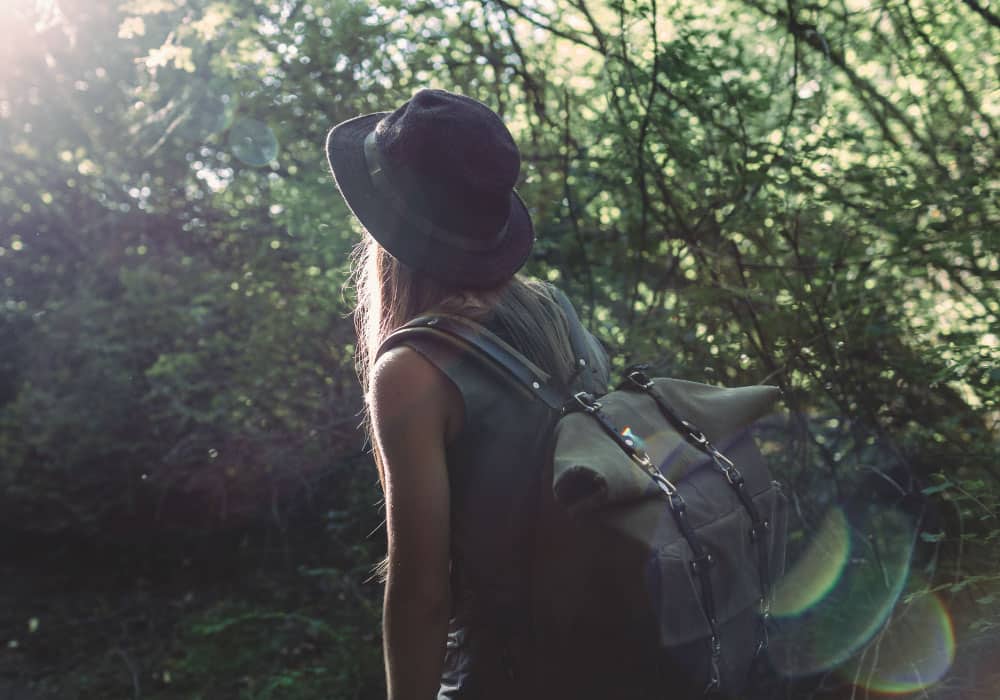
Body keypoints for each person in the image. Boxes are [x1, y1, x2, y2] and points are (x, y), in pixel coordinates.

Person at [326, 88, 611, 699]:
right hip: (610, 657)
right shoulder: (552, 312)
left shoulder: (411, 370)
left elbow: (424, 595)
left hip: (507, 675)